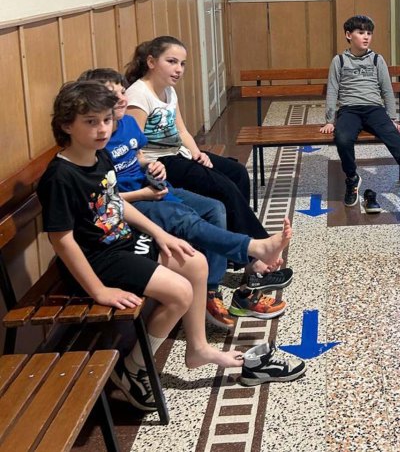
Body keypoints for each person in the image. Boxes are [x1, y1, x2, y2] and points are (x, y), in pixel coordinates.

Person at [38, 81, 300, 413]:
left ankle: (198, 349)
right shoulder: (60, 177)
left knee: (195, 261)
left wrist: (158, 234)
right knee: (180, 292)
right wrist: (99, 290)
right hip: (97, 260)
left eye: (106, 119)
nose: (102, 128)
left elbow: (116, 203)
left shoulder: (98, 156)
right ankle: (133, 369)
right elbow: (61, 240)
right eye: (91, 122)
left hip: (122, 242)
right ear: (66, 125)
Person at [78, 69, 292, 328]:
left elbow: (138, 157)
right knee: (188, 217)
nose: (122, 99)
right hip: (137, 201)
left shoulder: (126, 126)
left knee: (216, 207)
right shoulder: (97, 148)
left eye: (122, 92)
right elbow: (107, 198)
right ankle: (252, 250)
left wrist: (151, 166)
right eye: (113, 96)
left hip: (152, 186)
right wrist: (145, 193)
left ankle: (212, 287)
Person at [124, 36, 266, 240]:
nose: (179, 69)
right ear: (151, 62)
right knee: (223, 187)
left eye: (182, 64)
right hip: (160, 163)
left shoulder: (169, 90)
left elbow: (181, 131)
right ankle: (255, 248)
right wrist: (151, 166)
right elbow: (133, 146)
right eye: (171, 61)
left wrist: (198, 154)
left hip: (178, 154)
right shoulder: (138, 95)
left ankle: (236, 239)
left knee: (237, 172)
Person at [320, 15, 400, 211]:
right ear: (348, 35)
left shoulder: (377, 59)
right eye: (361, 33)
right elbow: (332, 90)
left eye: (369, 33)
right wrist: (330, 120)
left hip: (374, 108)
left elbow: (386, 90)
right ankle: (352, 178)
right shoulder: (339, 60)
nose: (366, 36)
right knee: (342, 138)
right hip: (349, 110)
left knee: (389, 131)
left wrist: (391, 118)